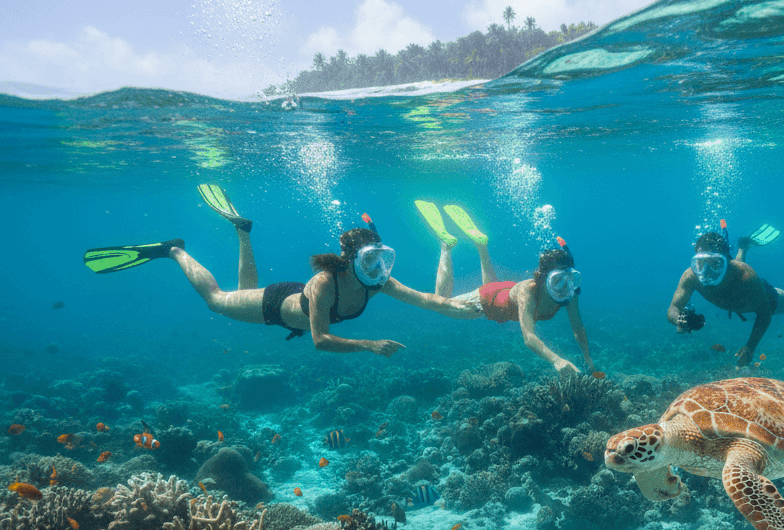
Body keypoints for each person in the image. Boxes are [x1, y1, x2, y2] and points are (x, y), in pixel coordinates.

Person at [83, 184, 430, 357]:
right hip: (275, 306)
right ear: (355, 258)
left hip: (293, 298)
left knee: (242, 290)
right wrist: (370, 345)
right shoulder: (328, 282)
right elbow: (320, 340)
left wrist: (456, 304)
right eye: (370, 259)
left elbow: (426, 299)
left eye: (381, 259)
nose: (378, 268)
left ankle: (242, 230)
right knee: (216, 300)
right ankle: (173, 250)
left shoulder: (368, 278)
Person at [408, 201, 596, 374]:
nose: (564, 286)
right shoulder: (528, 292)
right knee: (441, 301)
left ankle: (481, 246)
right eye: (557, 280)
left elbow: (578, 327)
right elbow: (529, 337)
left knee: (490, 287)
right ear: (543, 279)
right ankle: (446, 245)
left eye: (570, 278)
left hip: (504, 292)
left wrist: (587, 357)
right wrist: (557, 360)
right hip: (487, 301)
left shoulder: (569, 291)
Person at [665, 220, 784, 366]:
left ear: (727, 261)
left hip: (759, 293)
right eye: (700, 264)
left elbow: (764, 314)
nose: (707, 273)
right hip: (738, 288)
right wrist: (680, 320)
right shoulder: (690, 276)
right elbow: (673, 308)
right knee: (732, 273)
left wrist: (750, 347)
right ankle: (743, 247)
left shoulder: (746, 276)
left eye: (716, 264)